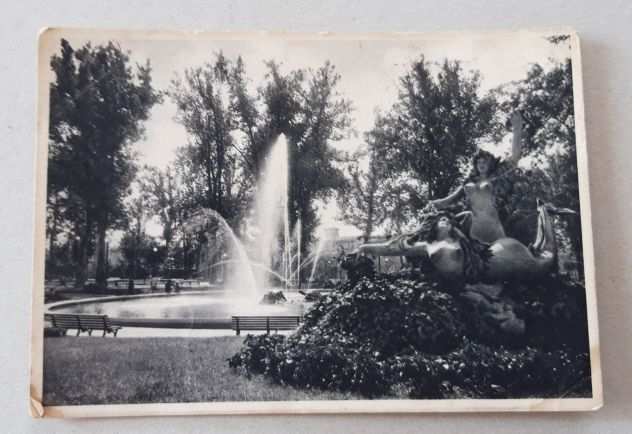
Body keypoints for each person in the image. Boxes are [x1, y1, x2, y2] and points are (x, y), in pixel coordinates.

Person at [354, 199, 557, 284]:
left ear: (453, 225)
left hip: (500, 256)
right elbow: (392, 249)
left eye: (448, 219)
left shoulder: (461, 239)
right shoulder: (427, 246)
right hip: (499, 265)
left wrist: (452, 219)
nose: (445, 220)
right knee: (542, 261)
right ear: (433, 225)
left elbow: (467, 214)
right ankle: (545, 213)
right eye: (441, 219)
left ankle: (545, 213)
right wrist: (363, 248)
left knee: (544, 261)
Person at [426, 112, 525, 244]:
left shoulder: (499, 174)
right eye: (479, 162)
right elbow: (448, 200)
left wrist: (517, 127)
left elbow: (515, 157)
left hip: (496, 221)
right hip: (471, 223)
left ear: (491, 163)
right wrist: (430, 205)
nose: (482, 164)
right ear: (475, 165)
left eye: (485, 162)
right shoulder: (469, 182)